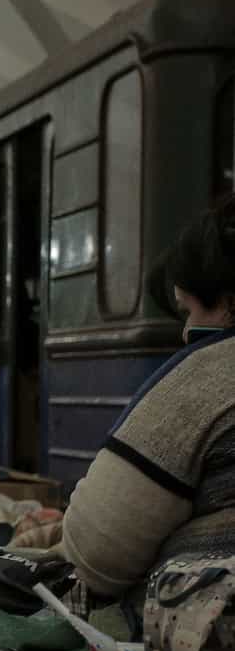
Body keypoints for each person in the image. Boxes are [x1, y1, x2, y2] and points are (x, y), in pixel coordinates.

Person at [63, 200, 235, 615]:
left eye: (188, 310)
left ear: (228, 300)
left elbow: (95, 554)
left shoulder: (211, 374)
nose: (186, 331)